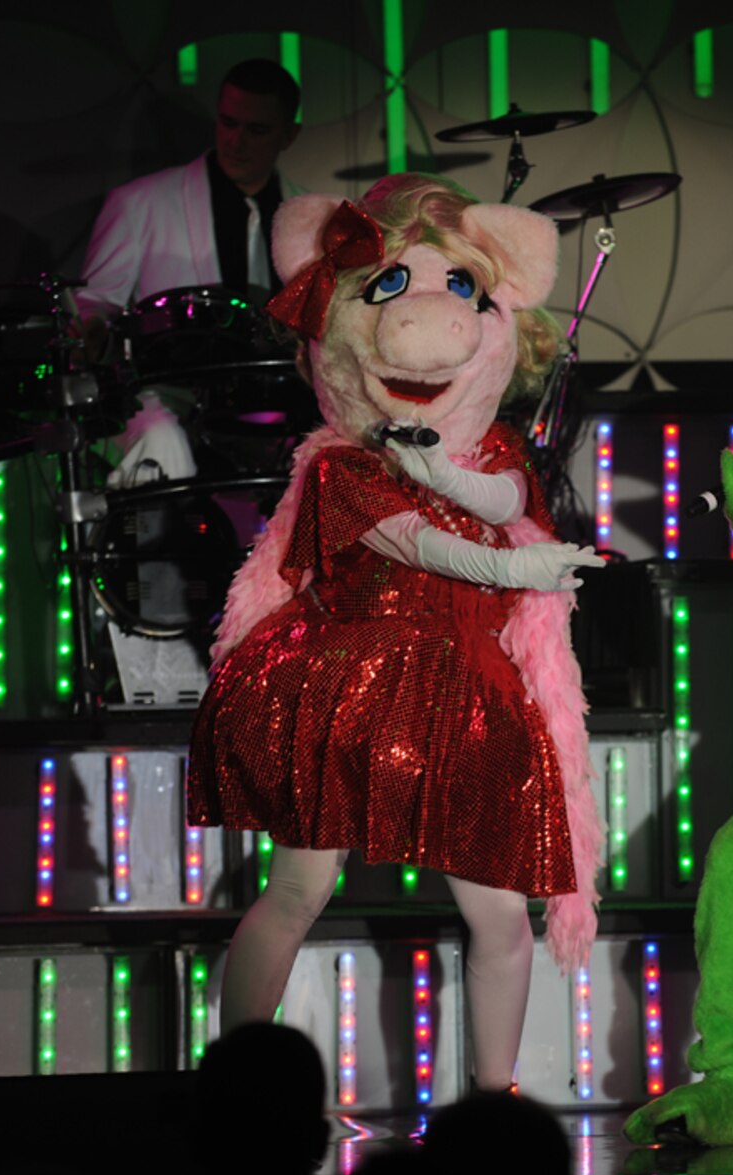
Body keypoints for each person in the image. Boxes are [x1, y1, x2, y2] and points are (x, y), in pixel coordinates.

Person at [187, 176, 604, 1094]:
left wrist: (449, 477)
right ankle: (238, 1085)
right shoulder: (338, 466)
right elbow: (421, 545)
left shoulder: (499, 454)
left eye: (459, 289)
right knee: (299, 889)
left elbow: (501, 498)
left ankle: (492, 1104)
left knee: (500, 918)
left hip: (470, 703)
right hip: (351, 691)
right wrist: (517, 566)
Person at [73, 58, 305, 487]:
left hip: (276, 391)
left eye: (256, 130)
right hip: (168, 390)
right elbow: (96, 301)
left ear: (289, 135)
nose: (235, 142)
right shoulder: (138, 203)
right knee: (160, 442)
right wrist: (92, 325)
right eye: (228, 123)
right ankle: (154, 531)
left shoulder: (311, 216)